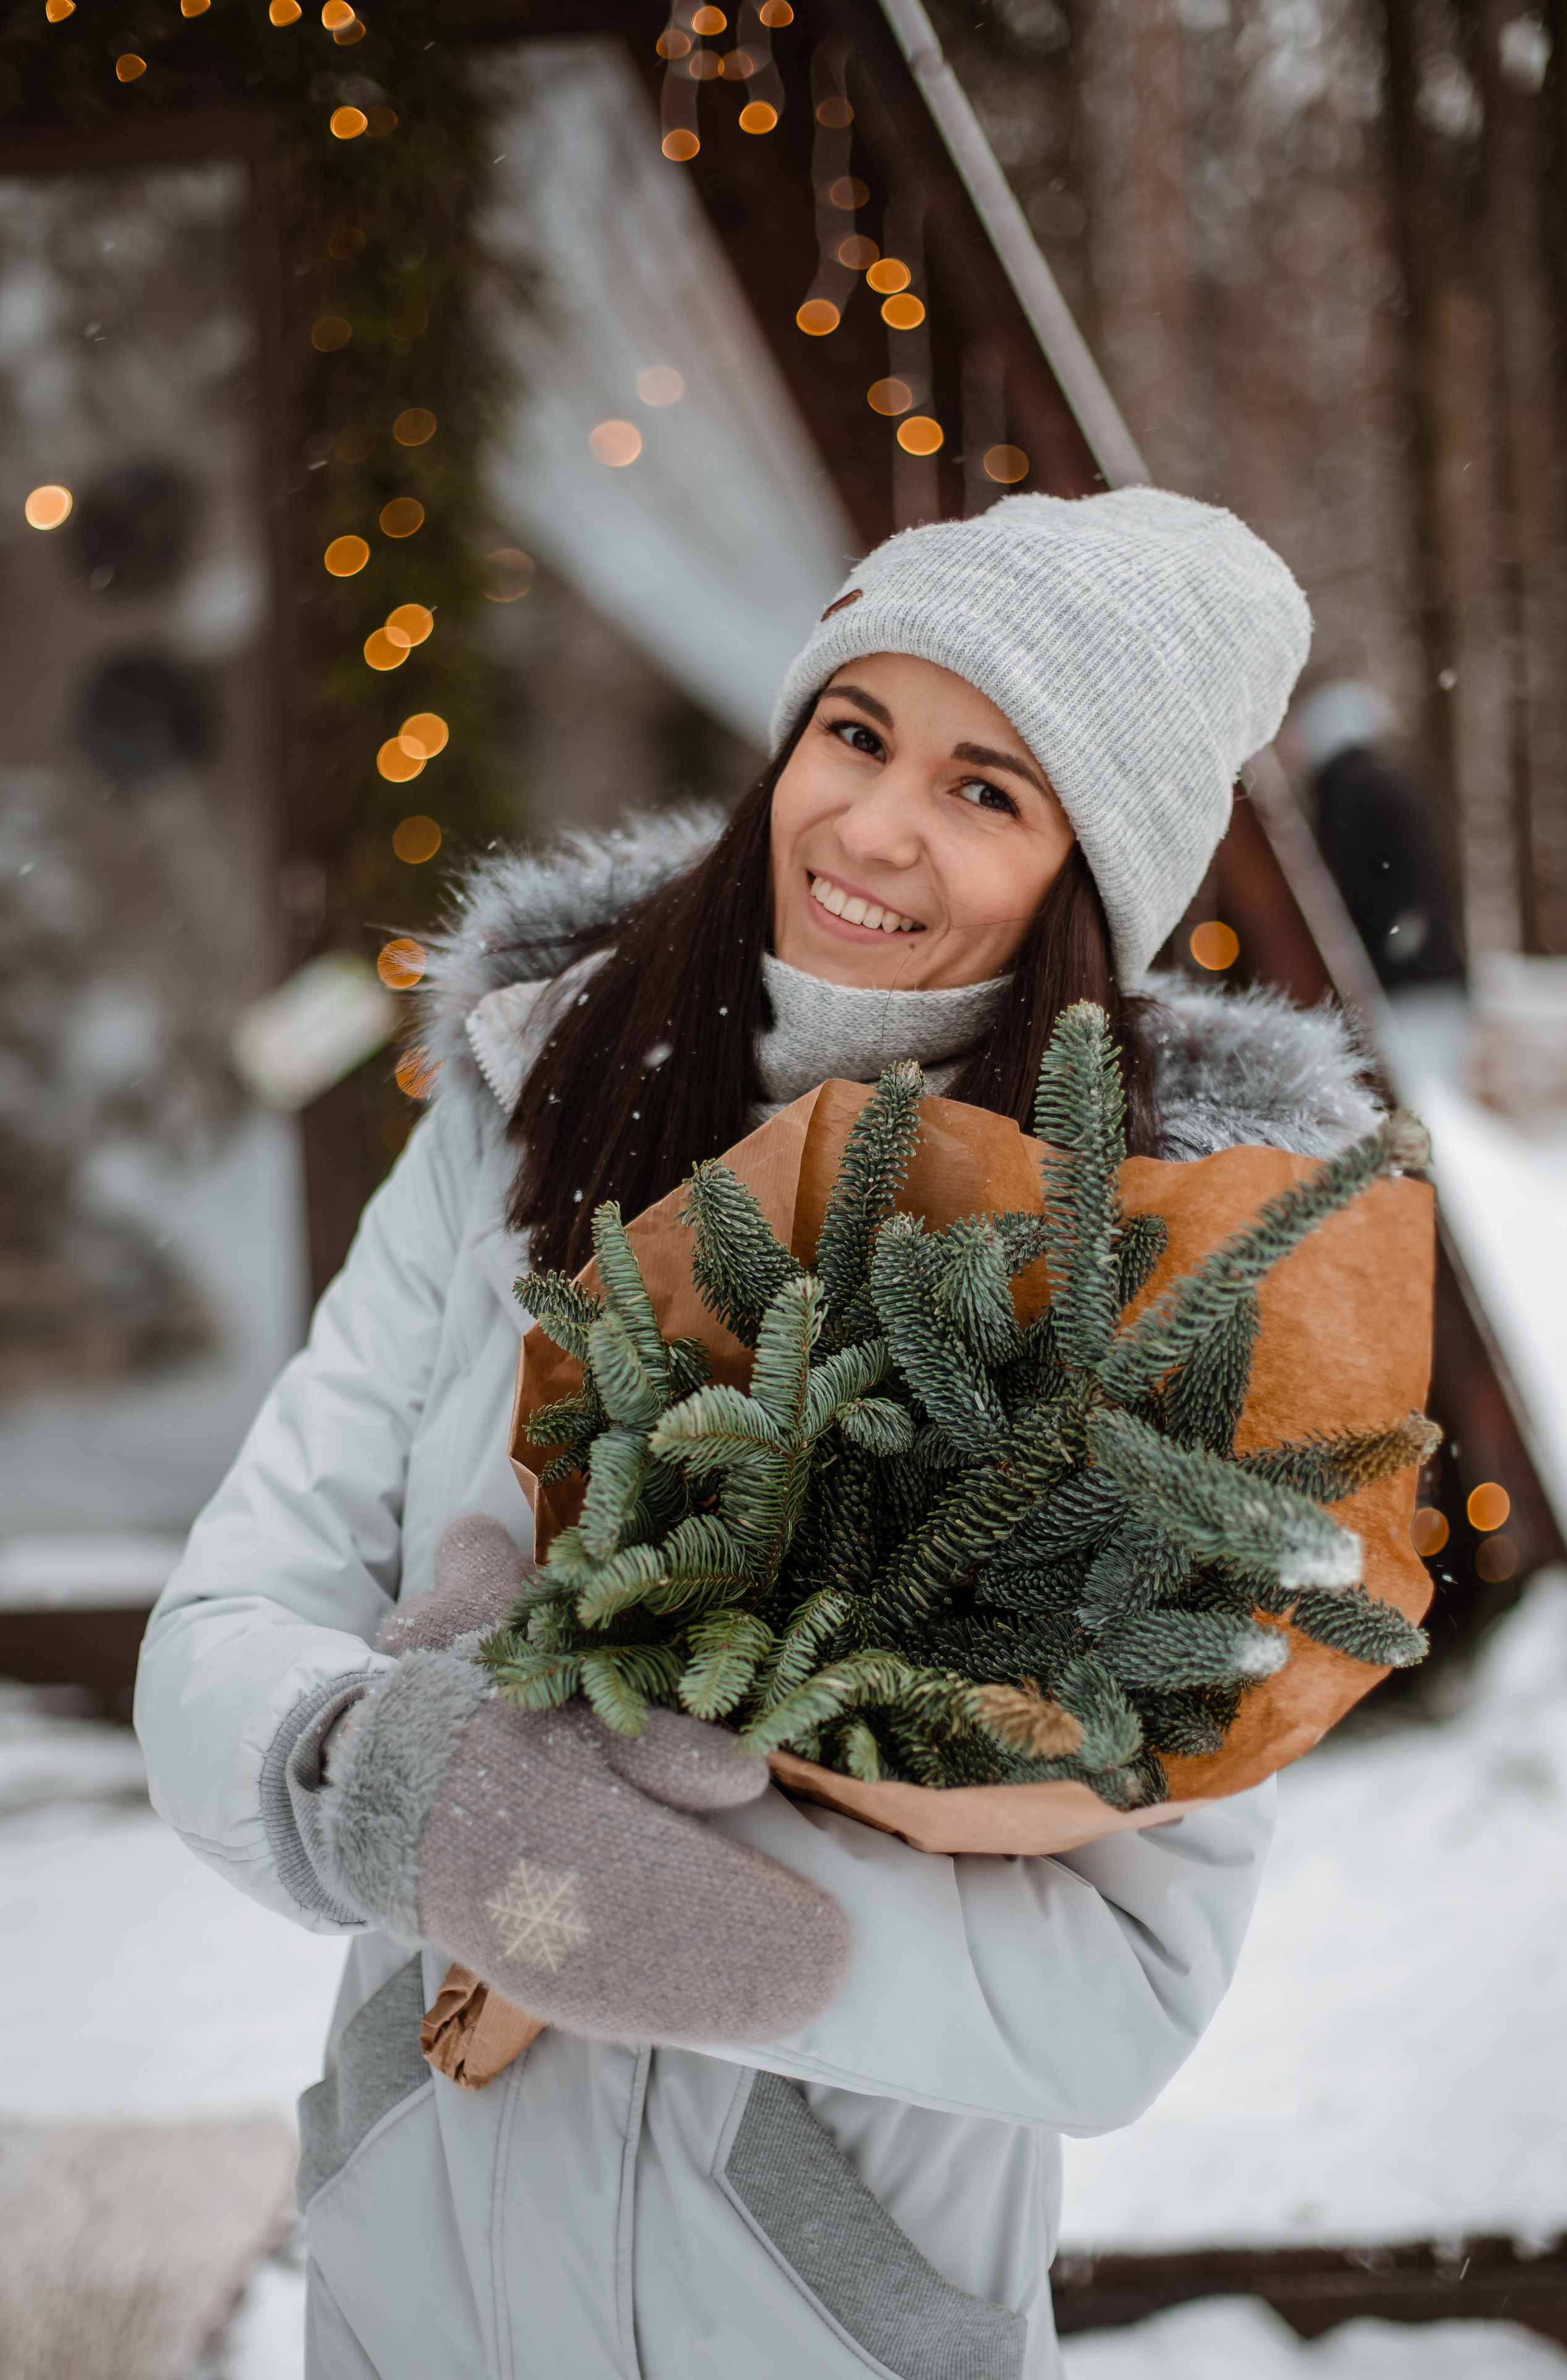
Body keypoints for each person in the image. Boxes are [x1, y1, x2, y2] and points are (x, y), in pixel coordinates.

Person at [138, 489, 1384, 2380]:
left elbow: (1121, 1990)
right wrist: (413, 1787)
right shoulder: (512, 1119)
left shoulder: (1172, 1283)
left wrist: (677, 1914)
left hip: (823, 2323)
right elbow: (219, 1637)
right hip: (425, 2293)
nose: (874, 825)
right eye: (854, 731)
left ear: (1084, 868)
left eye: (988, 789)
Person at [1288, 679, 1465, 989]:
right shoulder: (1391, 782)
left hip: (1397, 976)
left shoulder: (1346, 791)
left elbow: (1348, 877)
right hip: (1430, 967)